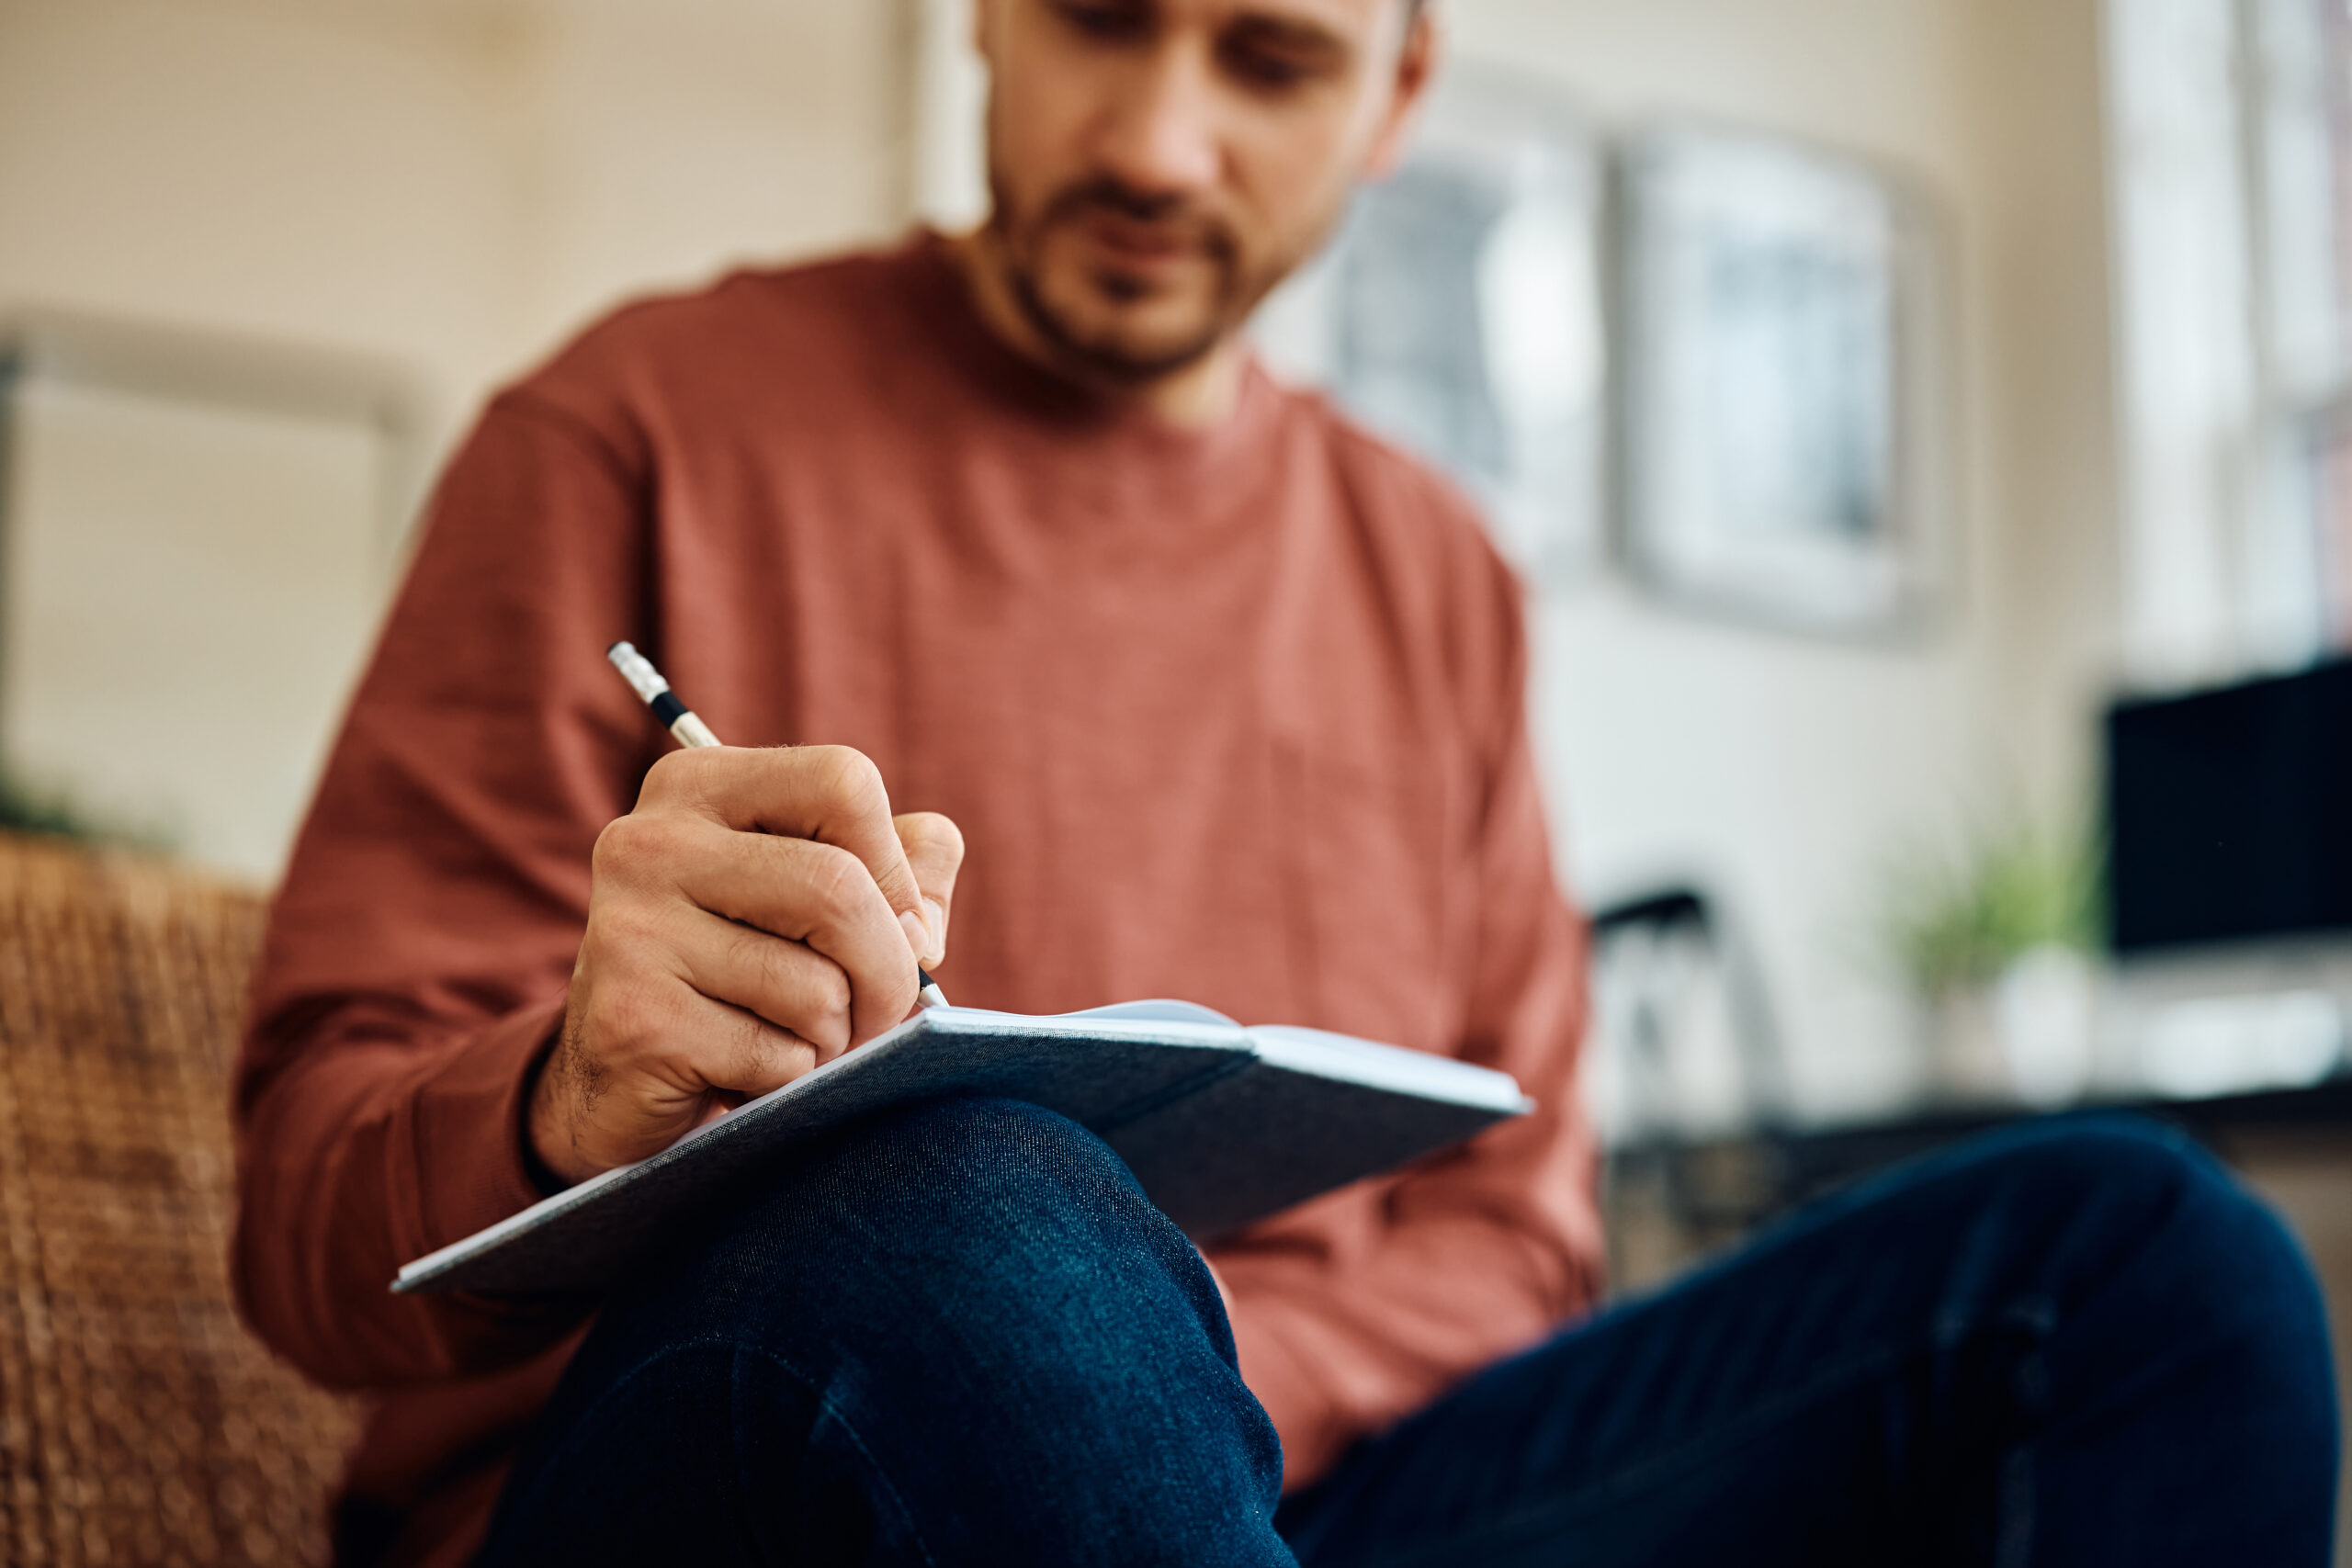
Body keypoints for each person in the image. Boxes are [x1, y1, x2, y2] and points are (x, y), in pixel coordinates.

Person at [233, 0, 2340, 1562]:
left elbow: (1517, 1243)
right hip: (740, 1492)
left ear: (1395, 93)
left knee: (2151, 1258)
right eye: (1098, 18)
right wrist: (561, 1096)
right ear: (982, 12)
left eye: (1268, 58)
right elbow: (298, 1229)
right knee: (978, 1215)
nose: (1159, 139)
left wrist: (1154, 1370)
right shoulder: (623, 434)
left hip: (1311, 1491)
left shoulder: (1434, 573)